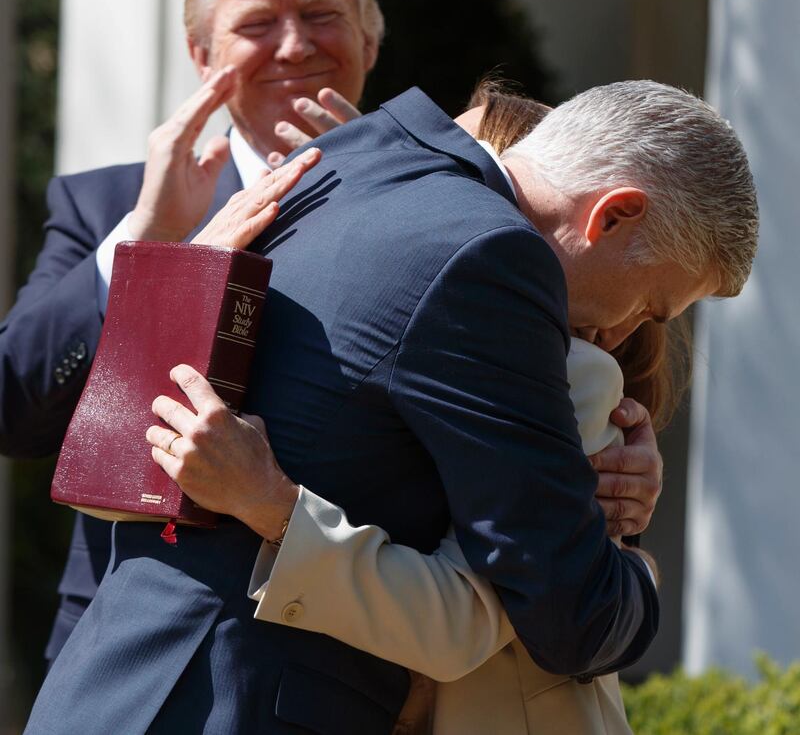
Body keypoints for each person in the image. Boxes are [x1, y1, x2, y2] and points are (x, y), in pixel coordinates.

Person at [25, 79, 757, 734]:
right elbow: (571, 614)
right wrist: (635, 569)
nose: (627, 331)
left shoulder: (355, 153)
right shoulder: (494, 259)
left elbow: (110, 468)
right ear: (614, 215)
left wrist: (181, 288)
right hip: (229, 699)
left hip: (110, 671)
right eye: (653, 304)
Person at [0, 0, 383, 665]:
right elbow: (15, 407)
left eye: (320, 14)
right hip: (128, 660)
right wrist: (151, 235)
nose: (295, 45)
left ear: (371, 36)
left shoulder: (446, 205)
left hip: (356, 653)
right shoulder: (109, 206)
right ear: (201, 52)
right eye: (257, 24)